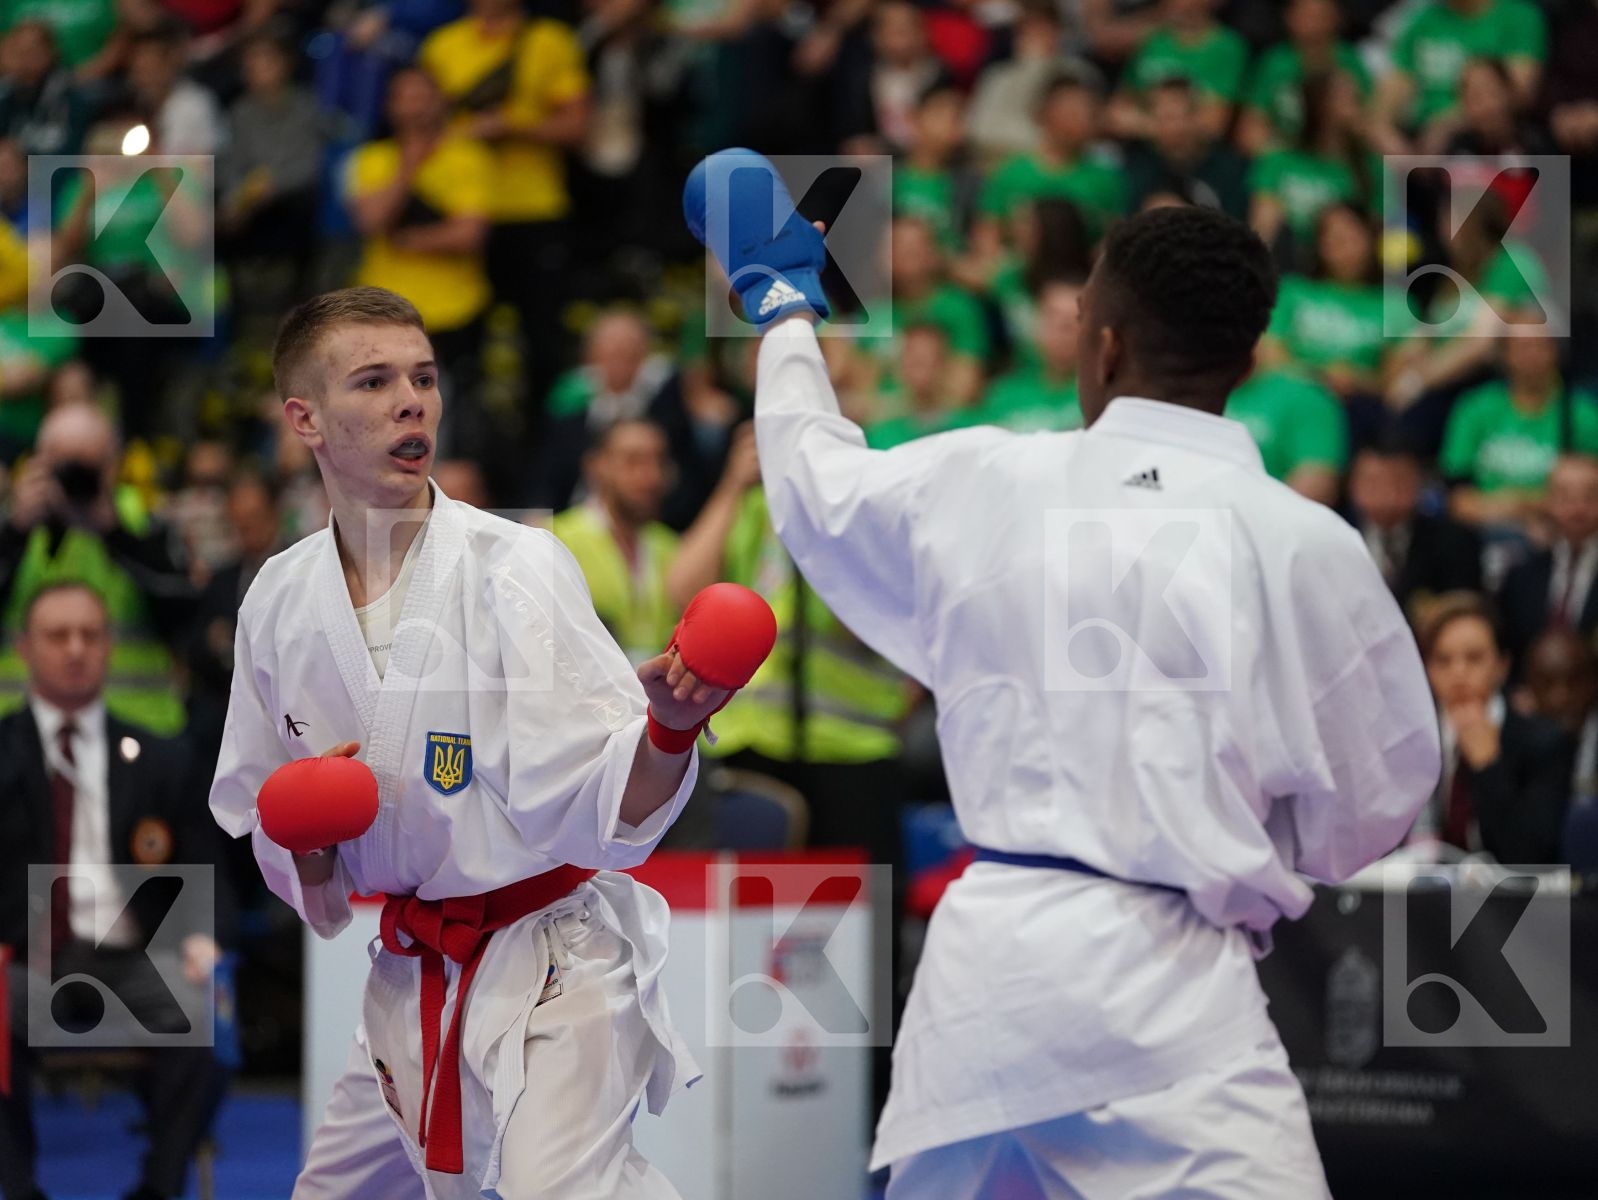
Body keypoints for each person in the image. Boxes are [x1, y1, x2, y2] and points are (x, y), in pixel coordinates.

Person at [687, 162, 1440, 1197]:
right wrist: (1243, 836)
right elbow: (1382, 796)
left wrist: (782, 309)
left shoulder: (987, 477)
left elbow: (810, 484)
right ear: (1246, 356)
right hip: (1182, 981)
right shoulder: (1305, 544)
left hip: (991, 978)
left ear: (1106, 343)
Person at [209, 286, 748, 1199]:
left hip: (554, 963)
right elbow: (279, 834)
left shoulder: (517, 566)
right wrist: (304, 837)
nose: (410, 402)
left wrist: (672, 727)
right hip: (411, 971)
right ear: (304, 419)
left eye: (422, 378)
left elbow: (607, 811)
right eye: (373, 382)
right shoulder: (278, 599)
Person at [0, 580, 229, 1200]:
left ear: (107, 646)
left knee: (204, 1011)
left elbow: (204, 863)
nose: (75, 649)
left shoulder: (159, 757)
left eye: (90, 635)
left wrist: (201, 935)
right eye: (57, 635)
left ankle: (158, 1186)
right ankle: (18, 1188)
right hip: (25, 960)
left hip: (135, 955)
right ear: (24, 647)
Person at [0, 402, 198, 734]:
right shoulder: (13, 524)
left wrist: (115, 534)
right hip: (18, 737)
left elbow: (184, 611)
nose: (76, 481)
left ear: (113, 465)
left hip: (139, 732)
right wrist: (15, 532)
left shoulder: (143, 522)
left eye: (88, 468)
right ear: (37, 464)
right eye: (64, 467)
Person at [1412, 591, 1572, 862]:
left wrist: (1488, 767)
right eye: (1443, 660)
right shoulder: (1413, 741)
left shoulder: (1544, 743)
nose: (1458, 673)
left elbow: (1530, 857)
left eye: (1474, 658)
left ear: (1502, 665)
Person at [551, 418, 682, 664]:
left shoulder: (671, 545)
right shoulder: (556, 537)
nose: (651, 476)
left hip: (656, 686)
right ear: (595, 467)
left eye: (659, 461)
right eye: (633, 461)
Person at [1345, 435, 1482, 622]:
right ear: (1352, 484)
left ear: (1419, 482)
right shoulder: (1333, 540)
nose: (1387, 494)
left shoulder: (1455, 541)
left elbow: (1464, 615)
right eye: (1374, 482)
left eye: (1398, 481)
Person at [1497, 453, 1598, 666]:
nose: (1578, 508)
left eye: (1590, 496)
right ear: (1548, 501)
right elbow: (1509, 651)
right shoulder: (1520, 577)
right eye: (1566, 497)